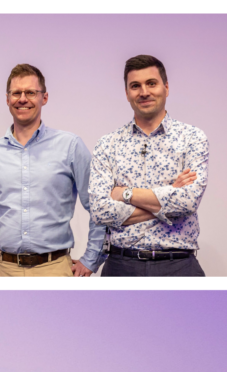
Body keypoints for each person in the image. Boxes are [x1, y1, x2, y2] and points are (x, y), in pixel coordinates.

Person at [0, 64, 104, 277]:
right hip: (1, 270)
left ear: (44, 97)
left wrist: (91, 259)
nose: (23, 99)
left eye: (31, 92)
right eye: (16, 93)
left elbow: (98, 207)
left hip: (55, 269)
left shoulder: (70, 146)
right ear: (7, 98)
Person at [88, 55, 207, 276]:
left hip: (179, 265)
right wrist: (169, 195)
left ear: (166, 87)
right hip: (120, 265)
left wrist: (124, 194)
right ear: (127, 93)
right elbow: (99, 211)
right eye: (135, 86)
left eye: (151, 83)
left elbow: (188, 203)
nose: (144, 92)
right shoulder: (108, 144)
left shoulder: (192, 138)